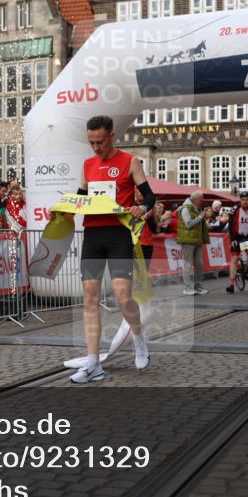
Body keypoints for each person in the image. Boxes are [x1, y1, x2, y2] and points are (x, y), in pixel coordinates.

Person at [64, 115, 155, 384]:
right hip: (93, 234)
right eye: (91, 142)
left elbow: (149, 195)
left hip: (119, 234)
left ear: (112, 136)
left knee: (123, 296)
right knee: (90, 299)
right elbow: (80, 199)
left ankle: (138, 337)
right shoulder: (87, 165)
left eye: (100, 142)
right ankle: (93, 363)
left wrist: (144, 207)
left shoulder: (129, 161)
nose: (96, 148)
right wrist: (63, 211)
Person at [226, 191, 248, 293]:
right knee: (235, 259)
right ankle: (231, 285)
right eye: (243, 200)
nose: (245, 202)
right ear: (240, 200)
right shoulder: (235, 209)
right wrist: (232, 239)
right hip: (237, 237)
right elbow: (230, 226)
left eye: (247, 200)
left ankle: (247, 274)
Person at [176, 190, 209, 296]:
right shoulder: (186, 208)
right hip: (188, 240)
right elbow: (189, 224)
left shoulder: (195, 208)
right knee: (188, 264)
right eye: (201, 199)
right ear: (195, 199)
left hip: (197, 240)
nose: (202, 201)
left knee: (199, 264)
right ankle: (188, 287)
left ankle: (198, 286)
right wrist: (200, 217)